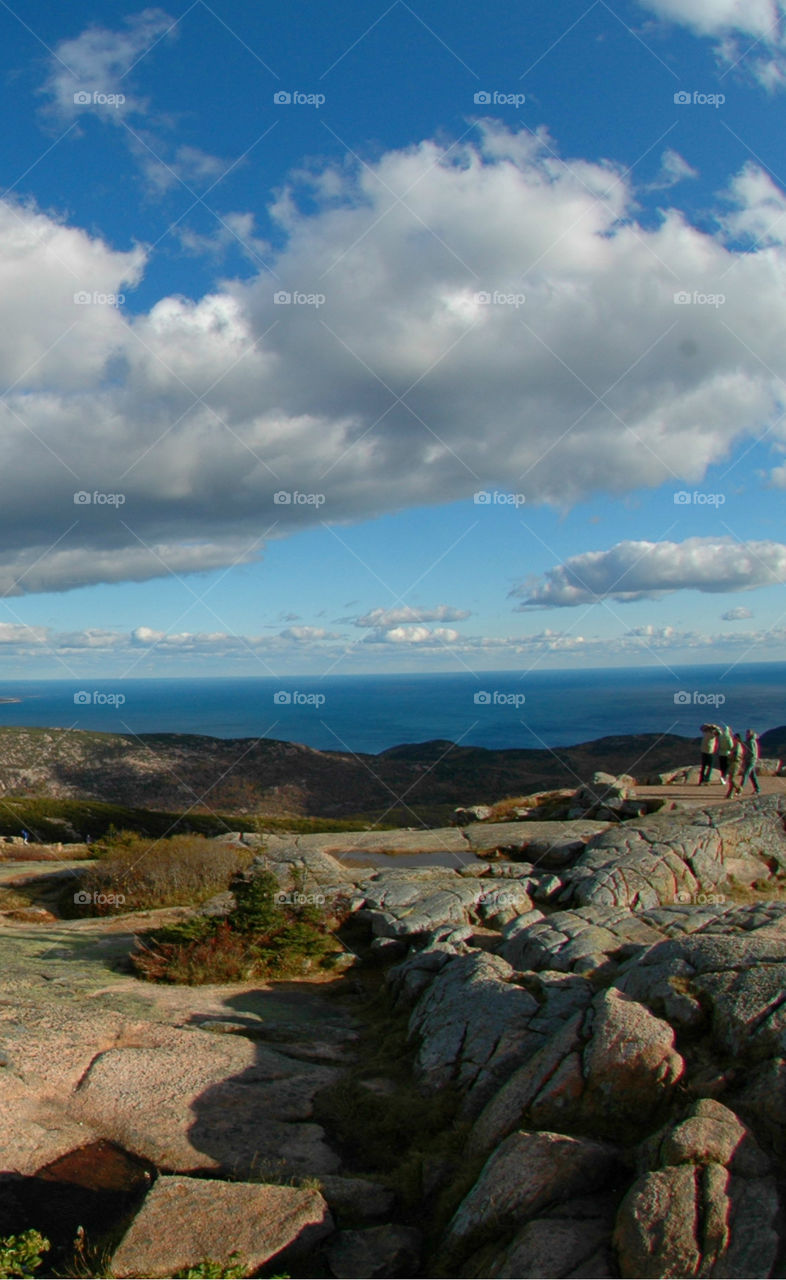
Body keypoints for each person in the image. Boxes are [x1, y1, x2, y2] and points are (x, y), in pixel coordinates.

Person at [725, 733, 747, 799]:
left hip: (735, 763)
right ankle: (730, 794)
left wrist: (730, 757)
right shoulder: (736, 745)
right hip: (733, 763)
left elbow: (736, 755)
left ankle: (739, 788)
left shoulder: (738, 746)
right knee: (731, 778)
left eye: (734, 738)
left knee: (732, 779)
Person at [741, 729, 761, 795]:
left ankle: (740, 789)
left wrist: (745, 756)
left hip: (750, 760)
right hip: (751, 760)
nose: (746, 735)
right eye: (746, 734)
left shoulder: (751, 742)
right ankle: (757, 789)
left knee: (745, 774)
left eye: (748, 734)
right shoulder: (751, 741)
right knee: (752, 775)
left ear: (751, 734)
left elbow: (752, 752)